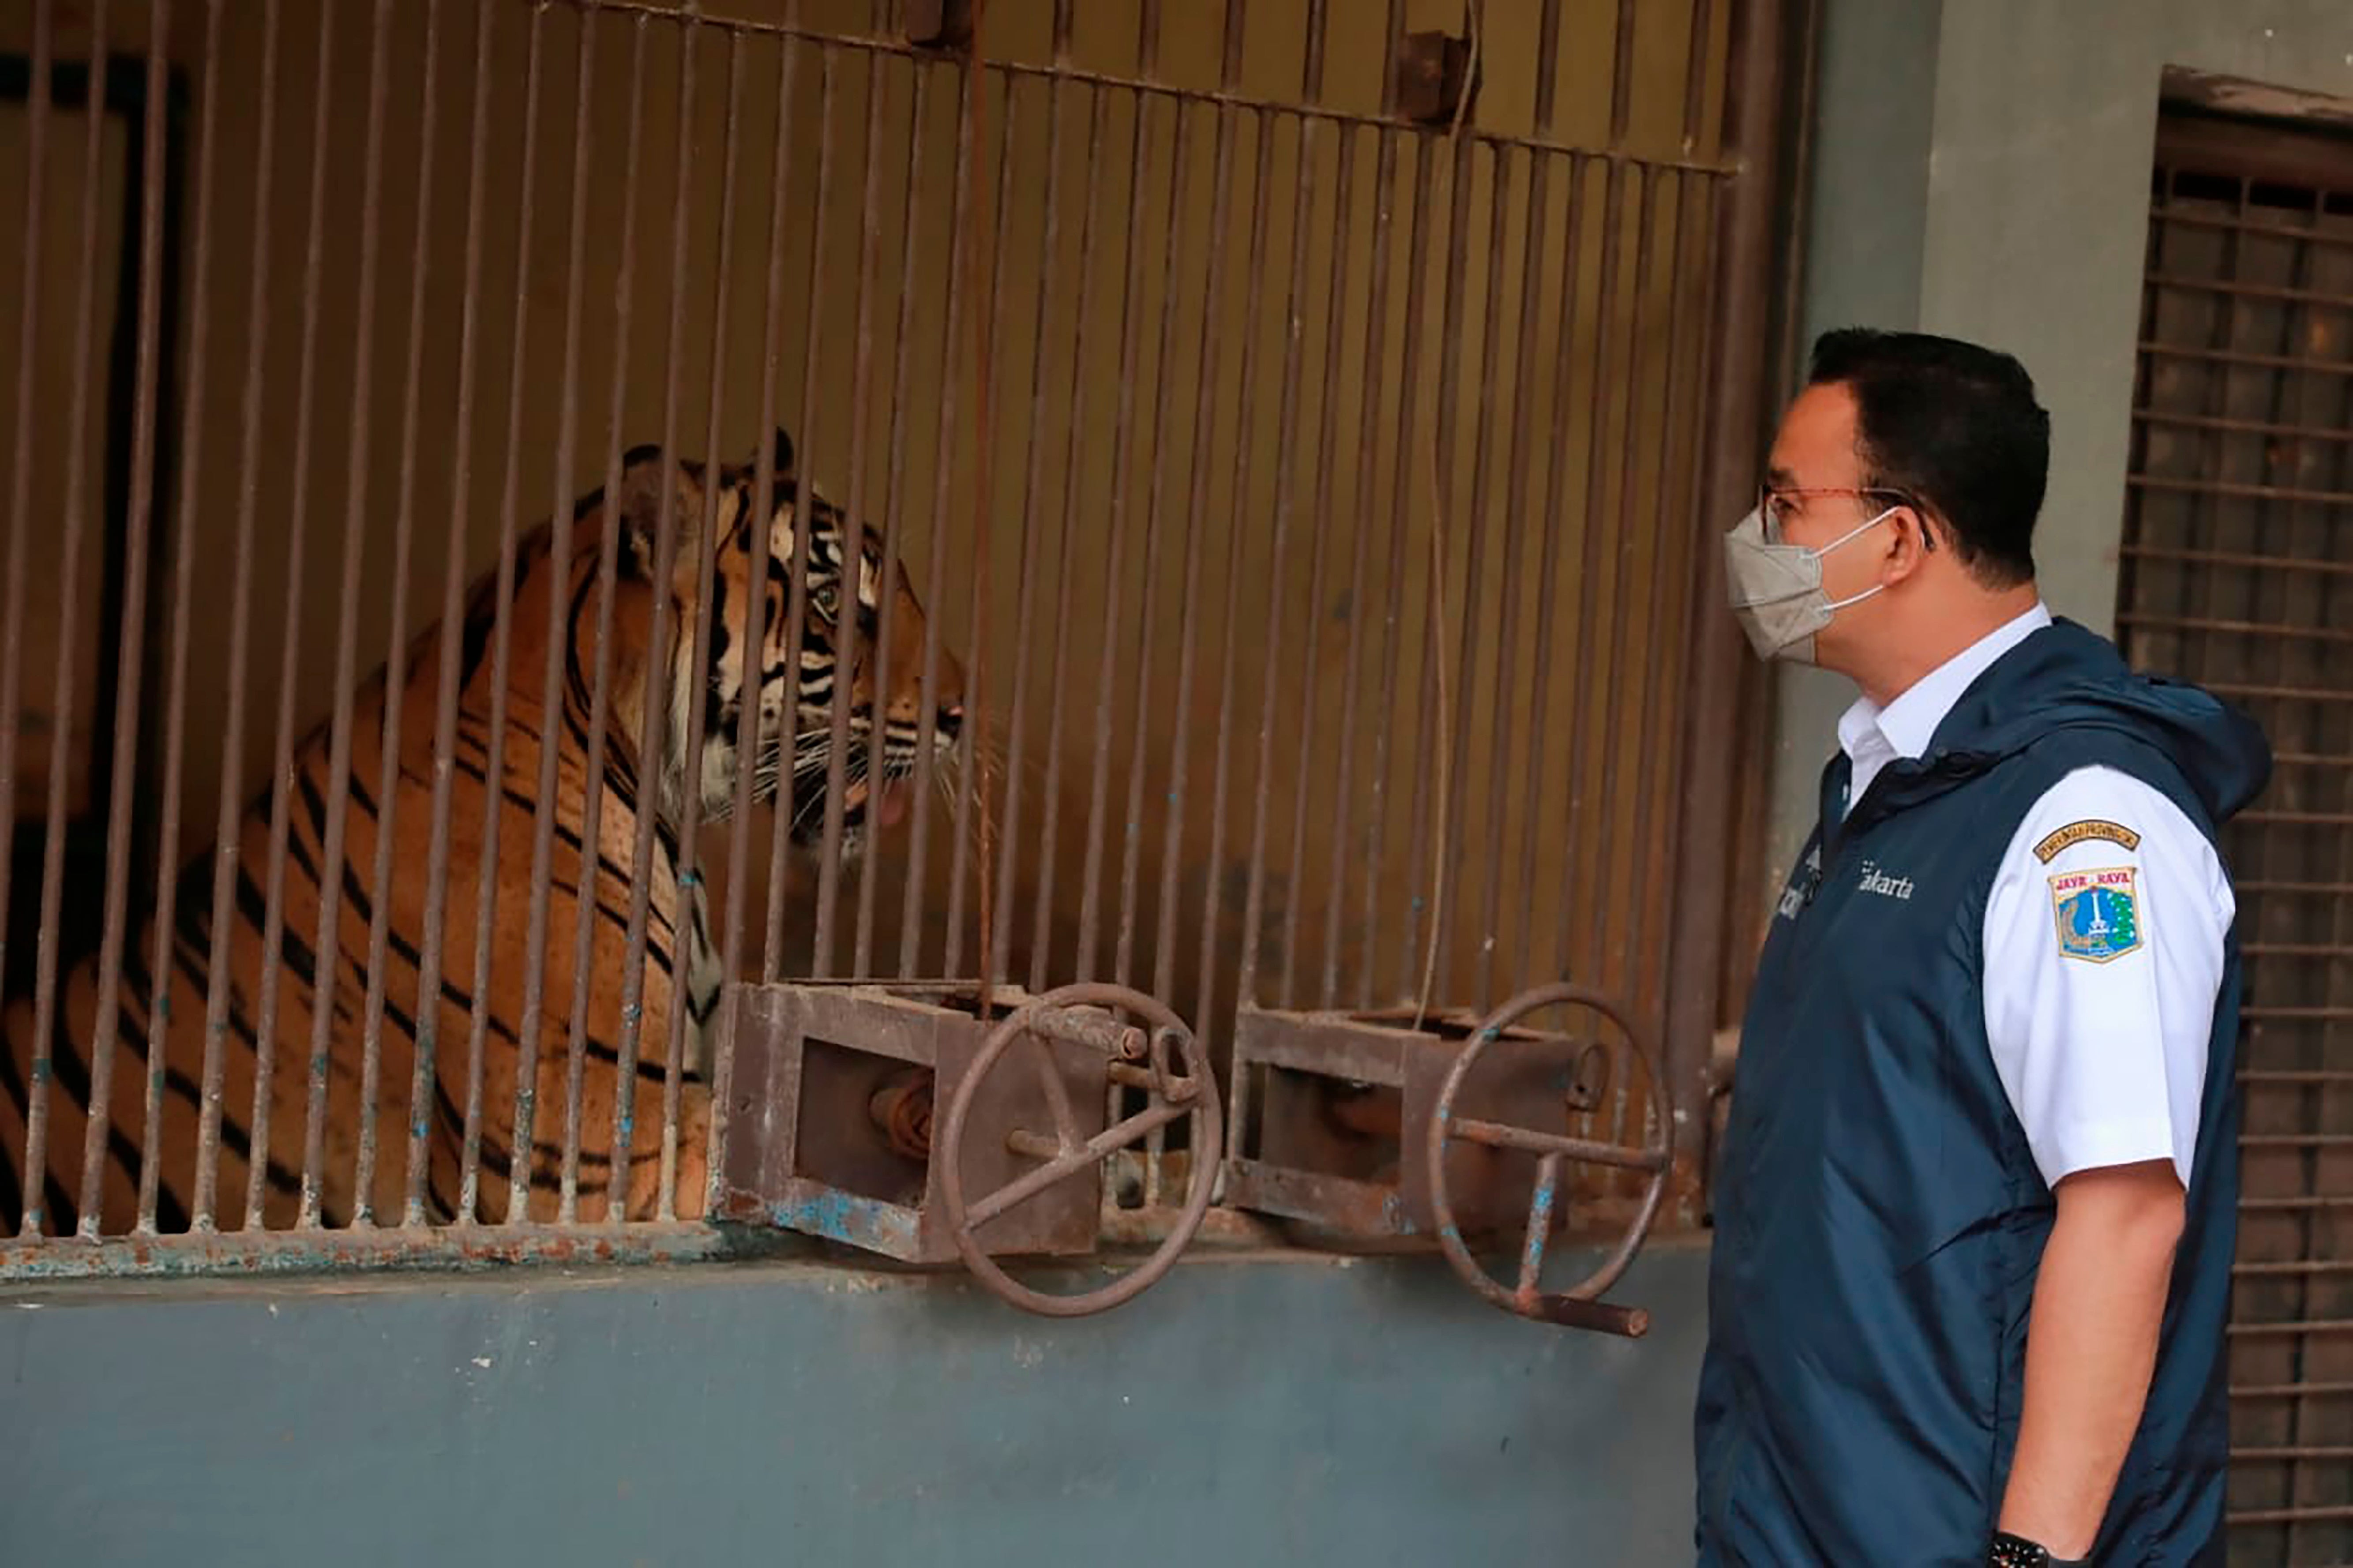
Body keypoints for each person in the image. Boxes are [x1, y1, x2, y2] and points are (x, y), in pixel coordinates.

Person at [1693, 328, 2270, 1565]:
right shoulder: (1892, 781)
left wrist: (2030, 1561)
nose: (1763, 535)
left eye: (1790, 502)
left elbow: (2122, 1214)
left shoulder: (2083, 823)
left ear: (1899, 537)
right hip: (1811, 1513)